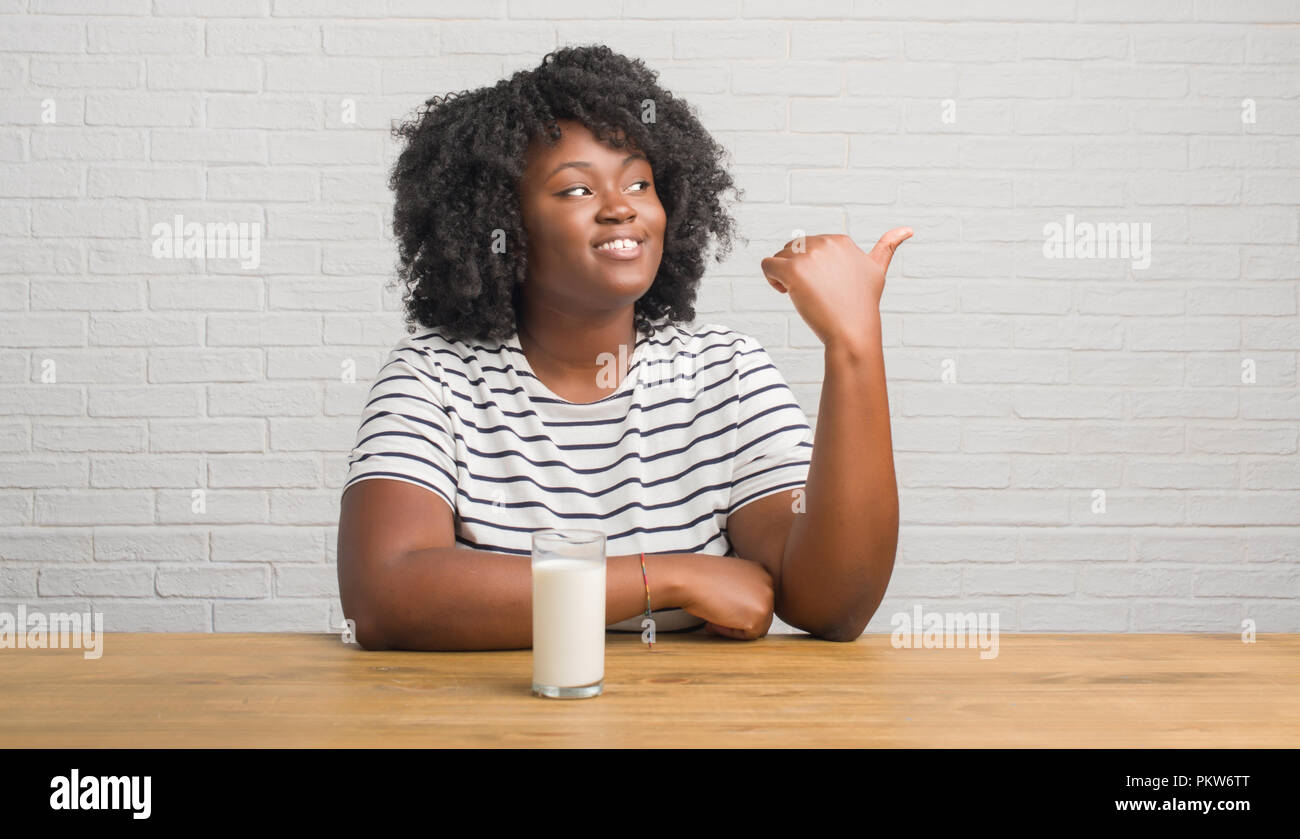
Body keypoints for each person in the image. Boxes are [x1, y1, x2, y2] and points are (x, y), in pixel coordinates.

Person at [337, 44, 907, 651]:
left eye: (639, 182)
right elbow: (385, 595)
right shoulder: (433, 378)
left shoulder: (725, 374)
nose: (620, 208)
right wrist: (667, 577)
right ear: (500, 224)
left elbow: (834, 604)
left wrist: (853, 348)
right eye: (576, 191)